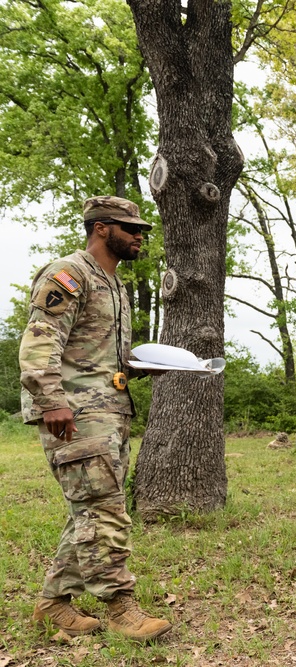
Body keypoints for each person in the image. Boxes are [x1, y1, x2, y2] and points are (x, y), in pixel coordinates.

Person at [20, 196, 173, 640]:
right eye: (132, 229)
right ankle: (121, 608)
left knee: (90, 509)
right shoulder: (68, 275)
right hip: (75, 413)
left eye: (141, 229)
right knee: (103, 509)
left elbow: (96, 352)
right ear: (101, 229)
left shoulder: (114, 284)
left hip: (107, 410)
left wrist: (138, 365)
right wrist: (52, 401)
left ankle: (52, 604)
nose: (140, 236)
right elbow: (38, 344)